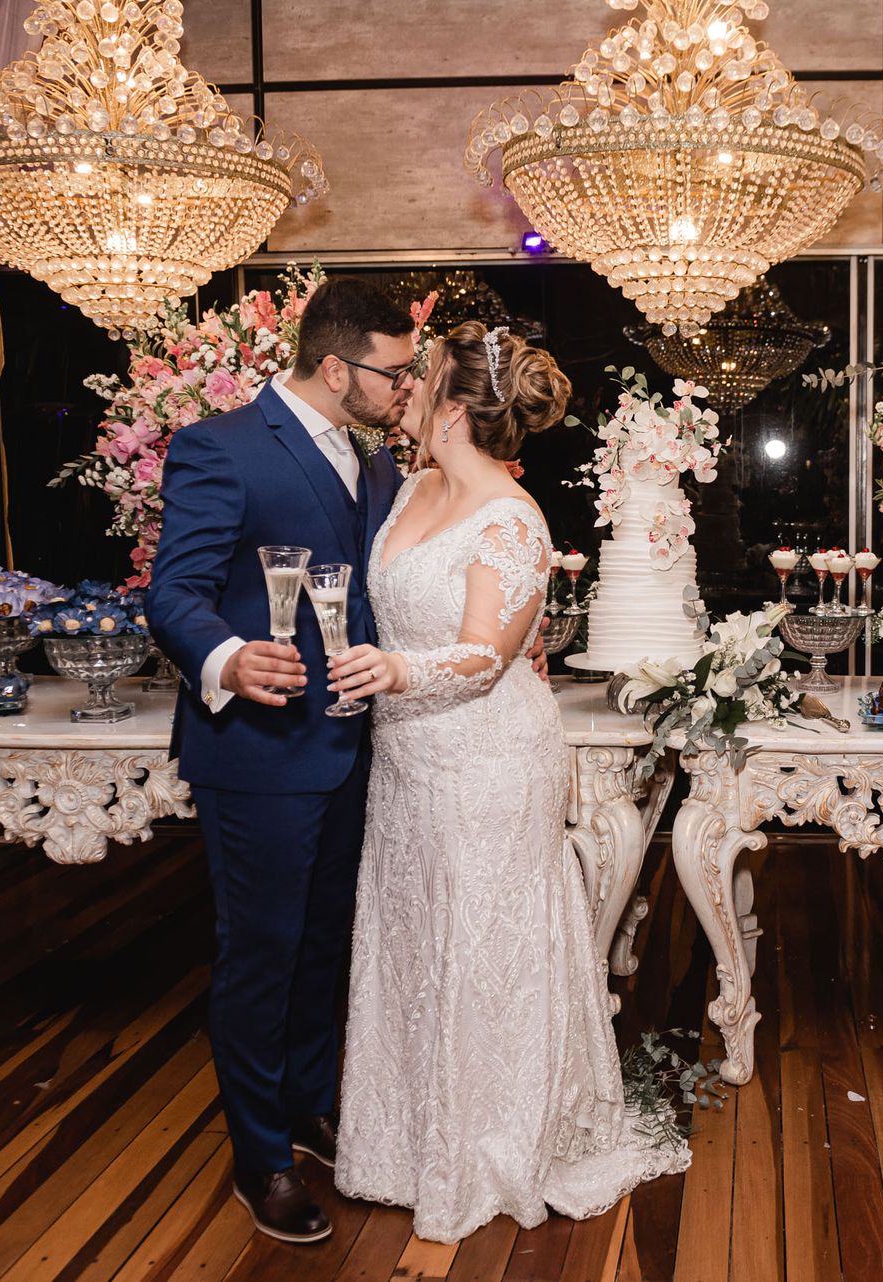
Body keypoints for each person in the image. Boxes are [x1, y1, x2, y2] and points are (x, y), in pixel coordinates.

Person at [324, 322, 689, 1242]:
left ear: (452, 407)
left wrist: (398, 672)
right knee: (415, 932)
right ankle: (409, 1140)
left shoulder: (511, 519)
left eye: (421, 377)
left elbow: (486, 655)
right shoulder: (409, 487)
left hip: (485, 756)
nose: (402, 389)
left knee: (483, 940)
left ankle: (496, 1140)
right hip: (409, 758)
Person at [147, 278, 415, 1243]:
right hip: (257, 753)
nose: (405, 388)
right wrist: (225, 654)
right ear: (336, 366)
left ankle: (307, 1108)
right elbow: (173, 592)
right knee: (259, 955)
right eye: (393, 372)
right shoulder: (219, 446)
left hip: (351, 747)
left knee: (324, 946)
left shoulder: (376, 463)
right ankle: (258, 1158)